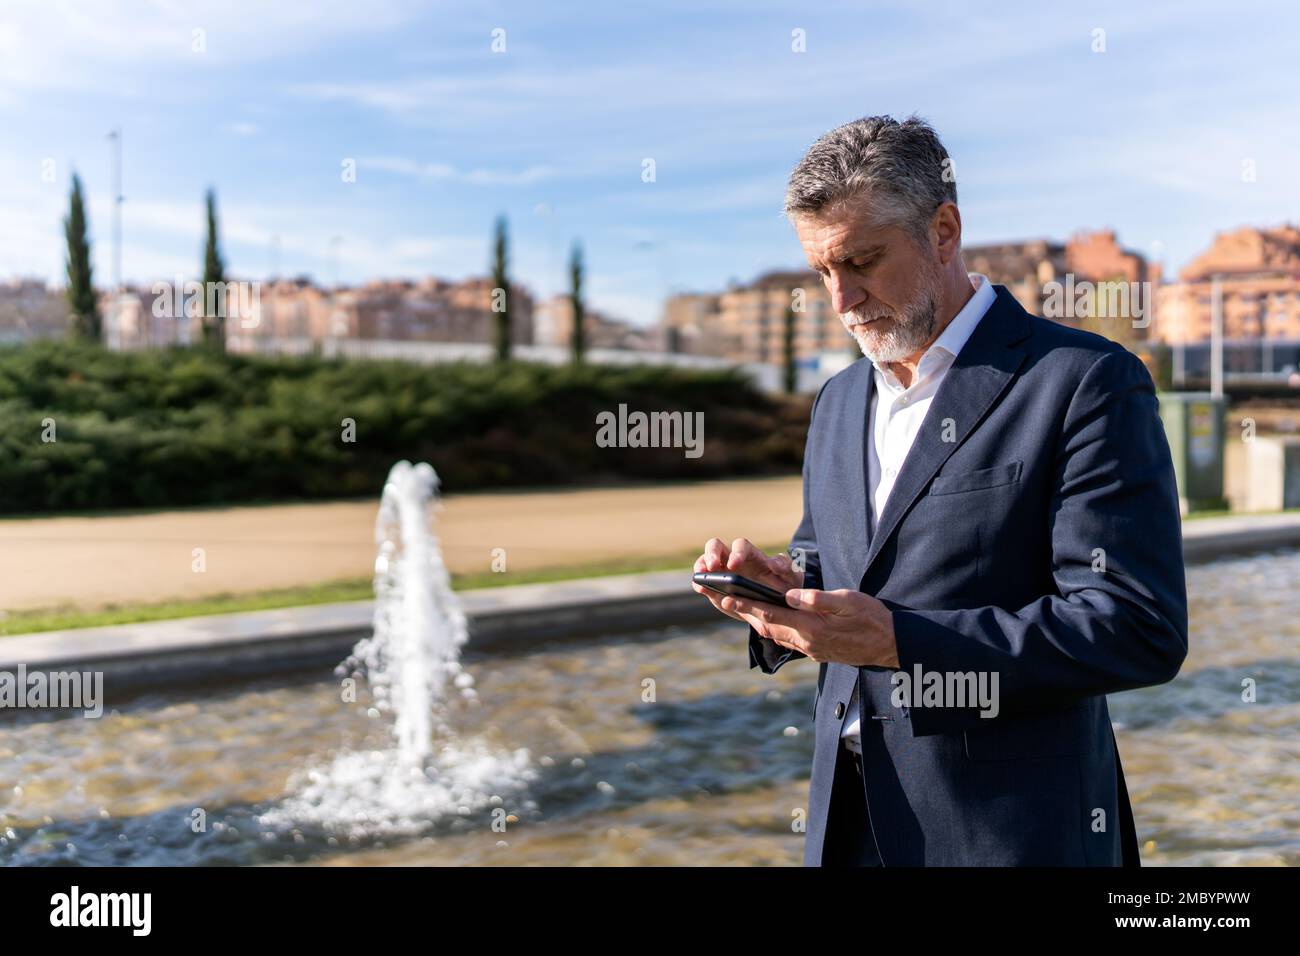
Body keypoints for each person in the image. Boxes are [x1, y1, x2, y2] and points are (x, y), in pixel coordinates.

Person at [693, 115, 1188, 866]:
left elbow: (1133, 627)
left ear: (944, 231)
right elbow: (837, 565)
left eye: (862, 261)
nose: (841, 299)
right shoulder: (836, 401)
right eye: (822, 271)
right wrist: (782, 597)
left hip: (1011, 837)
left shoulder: (1085, 382)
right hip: (848, 828)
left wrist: (901, 642)